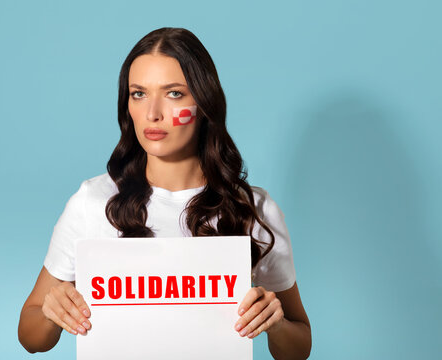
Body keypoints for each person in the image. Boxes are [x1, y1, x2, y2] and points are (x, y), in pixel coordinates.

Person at [18, 27, 311, 359]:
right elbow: (30, 337)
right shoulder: (91, 202)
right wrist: (50, 312)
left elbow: (299, 346)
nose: (152, 113)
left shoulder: (253, 209)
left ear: (203, 102)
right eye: (138, 93)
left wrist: (276, 325)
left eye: (174, 93)